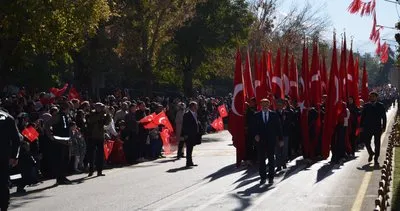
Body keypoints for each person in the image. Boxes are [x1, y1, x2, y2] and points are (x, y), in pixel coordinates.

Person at [254, 99, 283, 185]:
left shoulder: (274, 115)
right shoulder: (256, 115)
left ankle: (271, 177)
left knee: (271, 159)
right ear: (260, 105)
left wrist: (281, 139)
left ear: (269, 105)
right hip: (260, 141)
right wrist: (255, 135)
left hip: (271, 141)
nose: (265, 106)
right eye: (263, 104)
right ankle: (263, 177)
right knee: (261, 160)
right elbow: (253, 127)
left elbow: (278, 127)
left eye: (266, 104)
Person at [45, 102, 72, 185]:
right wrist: (50, 136)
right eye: (69, 108)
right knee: (60, 160)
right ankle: (60, 178)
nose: (69, 110)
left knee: (66, 159)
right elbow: (47, 124)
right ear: (66, 108)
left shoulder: (66, 116)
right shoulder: (58, 116)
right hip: (59, 141)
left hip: (65, 141)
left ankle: (62, 177)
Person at [0, 109, 21, 211]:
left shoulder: (8, 118)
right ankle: (4, 206)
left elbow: (16, 139)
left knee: (3, 182)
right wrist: (14, 156)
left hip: (3, 156)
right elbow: (16, 139)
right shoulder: (8, 117)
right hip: (4, 156)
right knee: (3, 182)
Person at [360, 92, 387, 166]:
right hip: (367, 127)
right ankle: (371, 153)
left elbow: (384, 117)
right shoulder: (366, 105)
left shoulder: (380, 106)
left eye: (373, 96)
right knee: (366, 142)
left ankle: (376, 159)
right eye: (370, 96)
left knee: (377, 143)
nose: (371, 98)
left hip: (377, 127)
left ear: (376, 97)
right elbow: (362, 116)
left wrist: (384, 127)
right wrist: (361, 126)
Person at [86, 103, 111, 177]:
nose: (99, 108)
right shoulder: (92, 113)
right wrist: (101, 114)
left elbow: (107, 122)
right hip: (92, 136)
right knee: (92, 154)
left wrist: (107, 113)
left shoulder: (104, 114)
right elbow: (91, 120)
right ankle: (91, 170)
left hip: (100, 136)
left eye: (101, 107)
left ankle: (99, 171)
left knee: (100, 154)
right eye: (98, 107)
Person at [182, 101, 203, 167]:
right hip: (189, 134)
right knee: (189, 148)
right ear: (192, 106)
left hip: (194, 134)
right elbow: (185, 125)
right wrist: (185, 134)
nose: (197, 107)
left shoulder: (195, 113)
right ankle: (188, 162)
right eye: (195, 106)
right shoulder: (187, 114)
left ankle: (190, 162)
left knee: (191, 148)